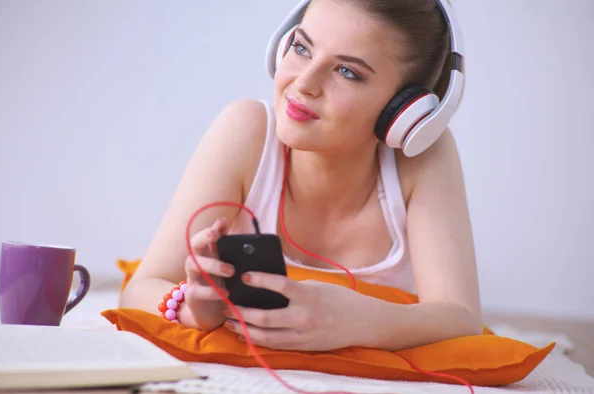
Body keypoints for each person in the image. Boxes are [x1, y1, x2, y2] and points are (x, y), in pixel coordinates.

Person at [119, 0, 483, 353]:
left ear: (406, 113)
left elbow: (462, 319)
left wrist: (357, 321)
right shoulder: (245, 130)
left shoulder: (421, 159)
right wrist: (193, 309)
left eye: (347, 72)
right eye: (302, 47)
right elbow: (140, 290)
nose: (304, 82)